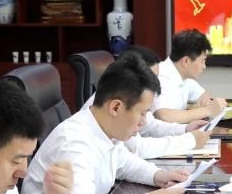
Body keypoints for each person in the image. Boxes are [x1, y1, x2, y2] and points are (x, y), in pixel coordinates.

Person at [23, 53, 187, 194]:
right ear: (116, 107)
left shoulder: (104, 129)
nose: (144, 122)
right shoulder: (73, 142)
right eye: (142, 113)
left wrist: (159, 176)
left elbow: (123, 162)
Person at [83, 48, 211, 159]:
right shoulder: (116, 106)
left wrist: (185, 129)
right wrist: (189, 141)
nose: (154, 83)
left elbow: (151, 125)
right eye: (150, 77)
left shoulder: (126, 96)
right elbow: (138, 148)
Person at [151, 29, 228, 124]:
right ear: (186, 61)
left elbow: (204, 95)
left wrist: (207, 102)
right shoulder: (162, 77)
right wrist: (207, 110)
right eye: (202, 61)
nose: (204, 67)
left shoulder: (183, 76)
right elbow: (164, 116)